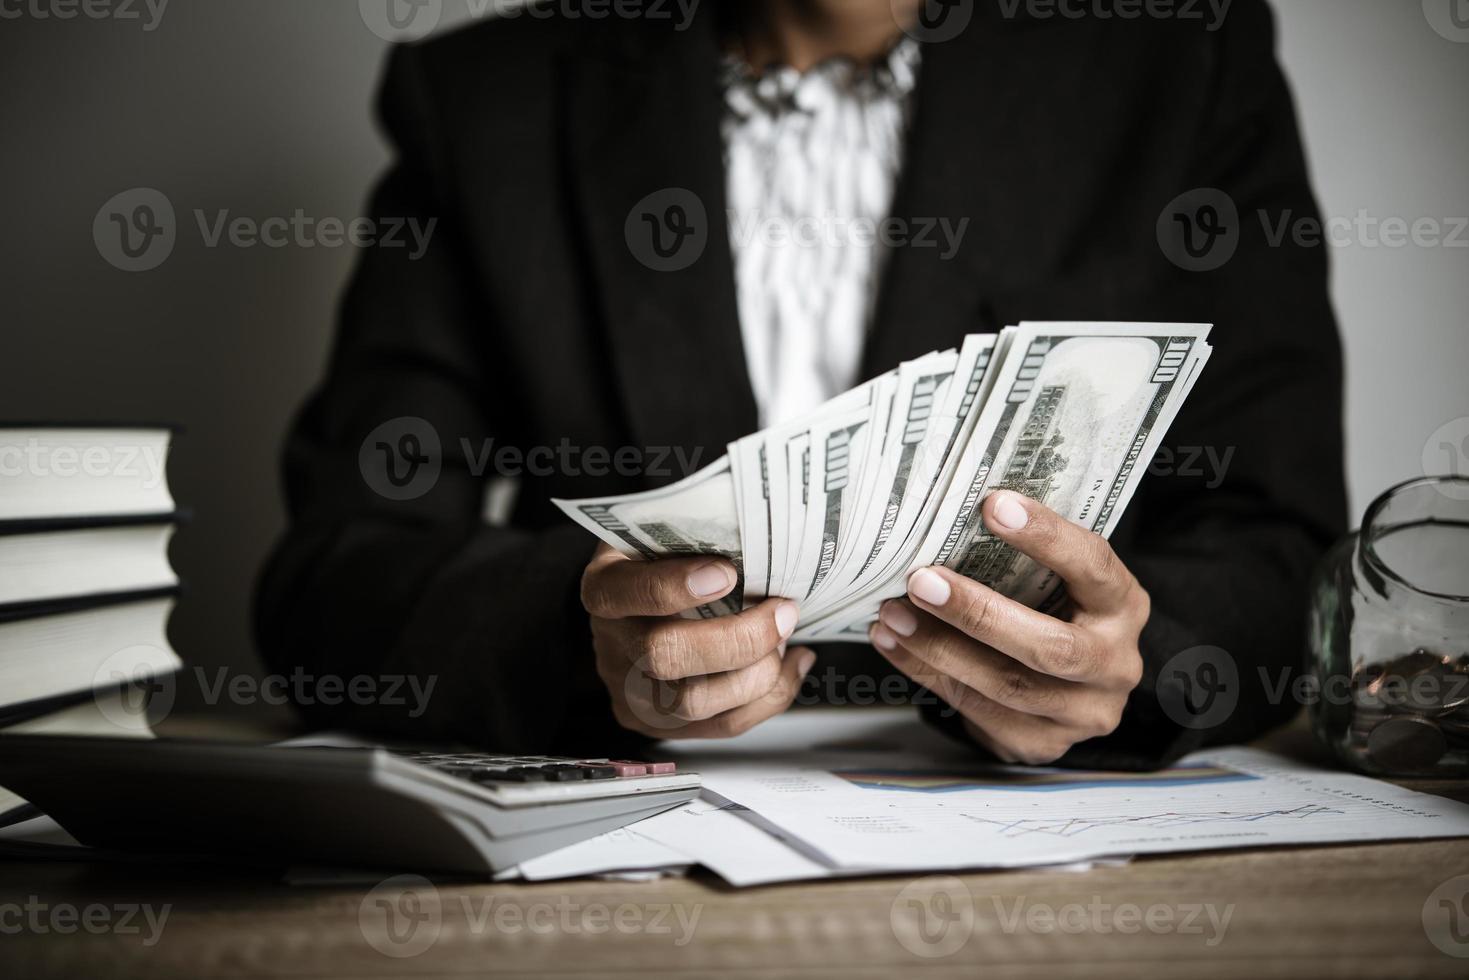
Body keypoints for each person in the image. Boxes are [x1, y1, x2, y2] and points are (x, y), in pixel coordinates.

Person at [255, 0, 1346, 769]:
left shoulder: (1178, 59)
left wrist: (1125, 663)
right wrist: (585, 639)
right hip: (627, 863)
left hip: (1048, 842)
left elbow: (1280, 547)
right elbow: (331, 576)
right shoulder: (488, 102)